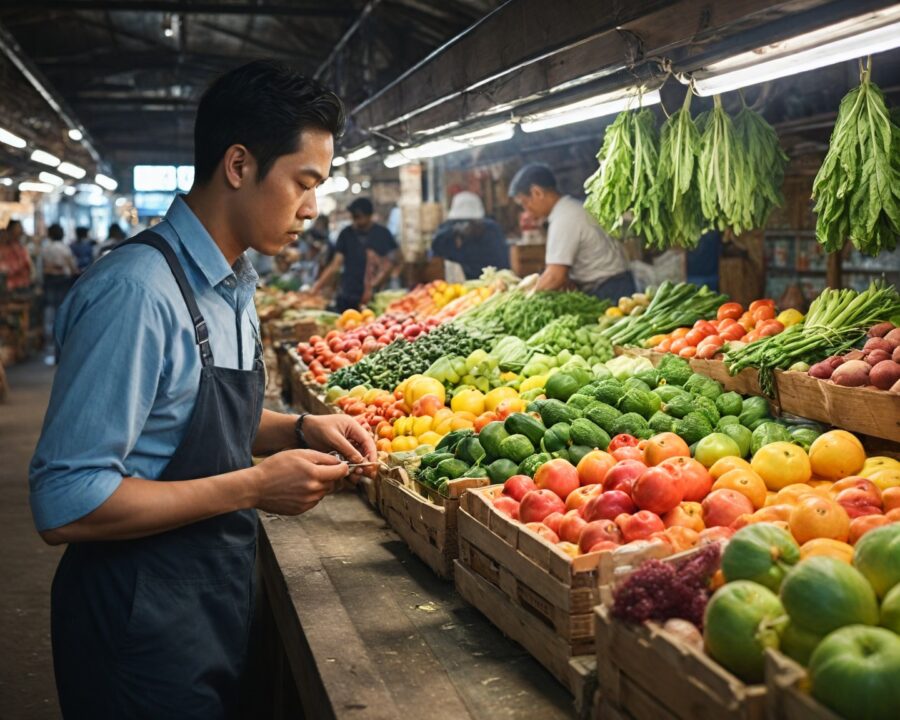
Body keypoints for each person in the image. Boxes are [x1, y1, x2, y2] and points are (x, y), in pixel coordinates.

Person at [29, 60, 376, 719]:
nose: (311, 210)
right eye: (303, 183)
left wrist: (300, 428)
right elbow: (66, 502)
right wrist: (254, 486)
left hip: (210, 598)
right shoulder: (136, 293)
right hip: (135, 622)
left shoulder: (232, 285)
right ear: (239, 165)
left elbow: (187, 413)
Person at [508, 163, 635, 300]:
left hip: (609, 289)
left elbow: (554, 277)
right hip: (616, 283)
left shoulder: (564, 218)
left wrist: (524, 300)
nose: (527, 210)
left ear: (537, 192)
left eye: (525, 203)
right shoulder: (570, 208)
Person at [310, 196, 399, 310]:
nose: (355, 221)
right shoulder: (346, 234)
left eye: (358, 217)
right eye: (353, 217)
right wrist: (317, 286)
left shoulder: (383, 234)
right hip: (348, 293)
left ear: (369, 215)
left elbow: (393, 261)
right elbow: (336, 264)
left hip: (376, 296)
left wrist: (376, 283)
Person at [431, 191, 509, 280]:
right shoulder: (446, 233)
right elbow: (435, 253)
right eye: (461, 221)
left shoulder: (491, 231)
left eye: (471, 222)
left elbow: (502, 262)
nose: (466, 226)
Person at [40, 223, 78, 355]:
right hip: (63, 280)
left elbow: (43, 266)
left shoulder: (46, 248)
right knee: (61, 309)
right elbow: (72, 266)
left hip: (49, 280)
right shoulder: (64, 248)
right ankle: (59, 340)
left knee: (49, 309)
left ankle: (48, 340)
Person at [0, 220, 33, 291]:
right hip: (9, 286)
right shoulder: (5, 247)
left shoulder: (20, 246)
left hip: (22, 284)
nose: (21, 230)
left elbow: (27, 264)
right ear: (10, 230)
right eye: (18, 227)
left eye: (21, 228)